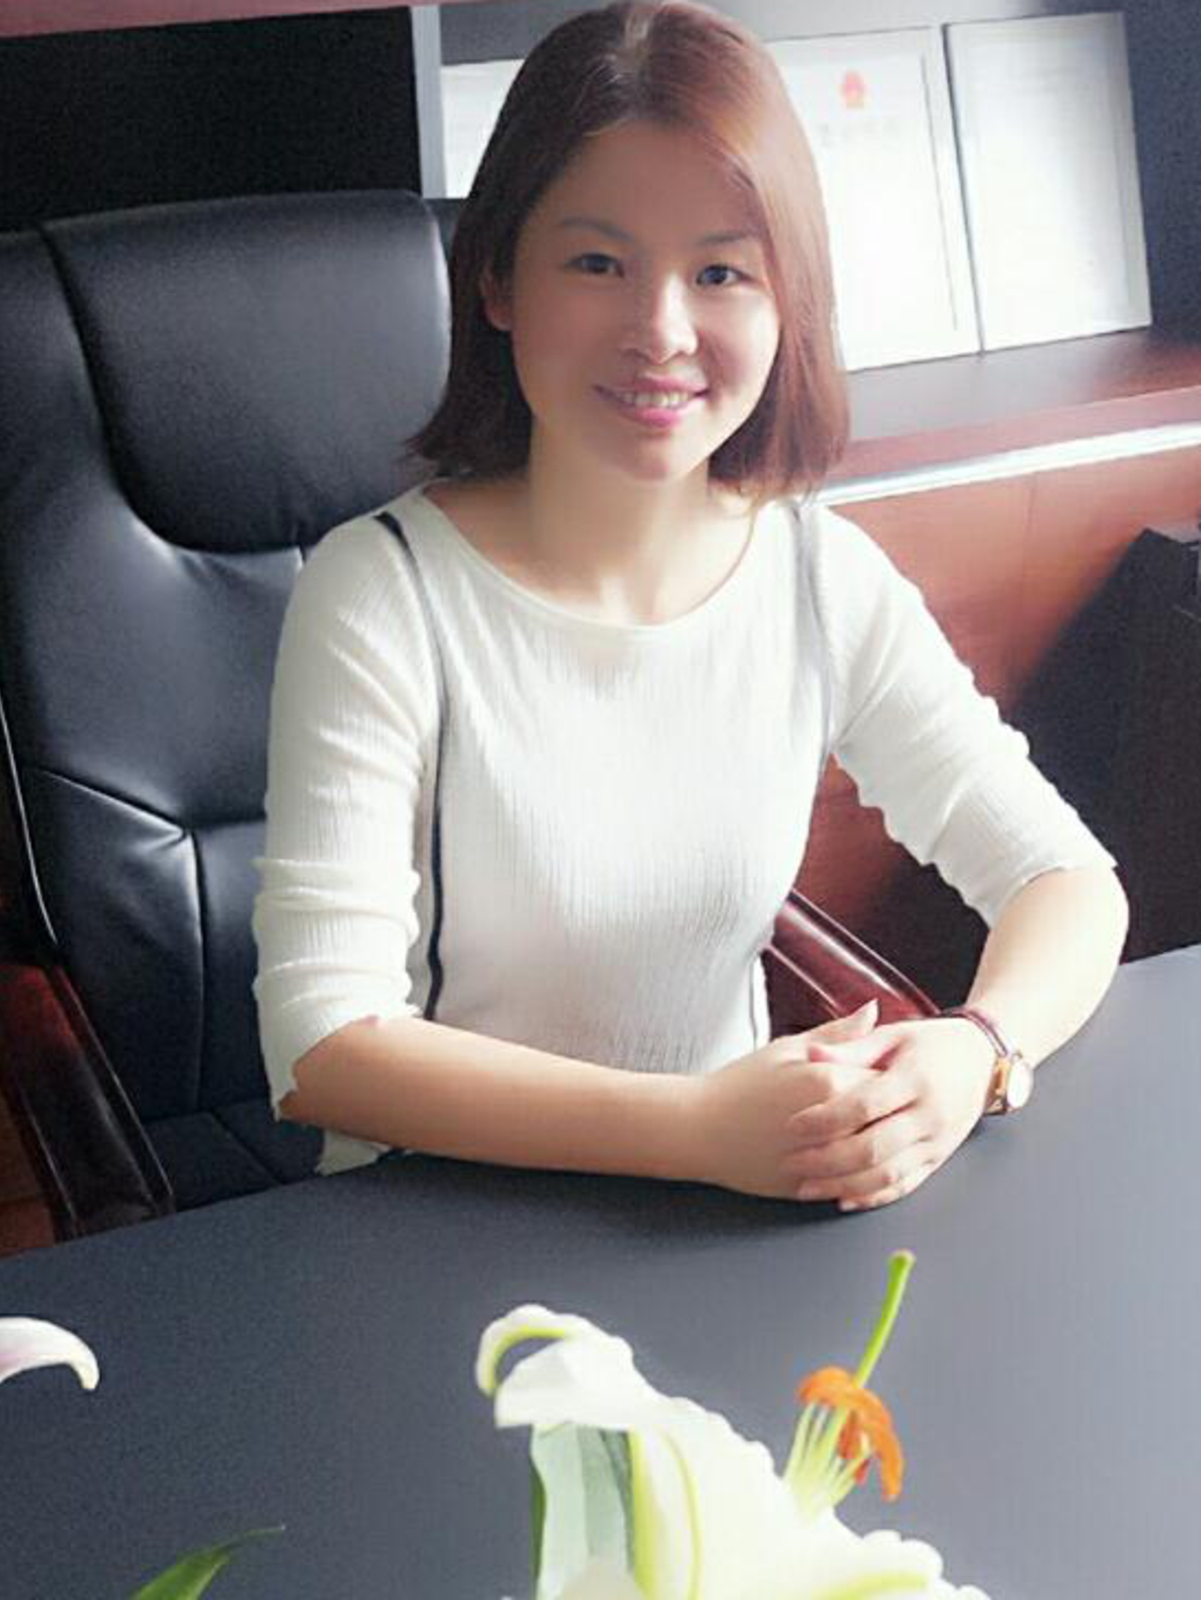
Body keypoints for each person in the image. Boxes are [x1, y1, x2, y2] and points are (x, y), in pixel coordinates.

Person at [251, 0, 1127, 1210]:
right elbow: (319, 1045)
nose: (659, 332)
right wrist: (697, 1127)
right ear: (498, 278)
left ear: (784, 302)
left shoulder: (815, 575)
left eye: (718, 272)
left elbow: (1065, 880)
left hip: (730, 1206)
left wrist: (978, 1052)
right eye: (596, 264)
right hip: (447, 1215)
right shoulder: (383, 593)